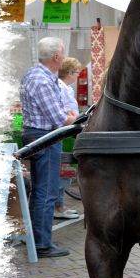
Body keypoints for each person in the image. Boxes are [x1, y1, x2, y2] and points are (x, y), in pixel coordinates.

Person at [19, 38, 78, 257]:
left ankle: (37, 241)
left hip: (39, 136)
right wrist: (73, 118)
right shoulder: (42, 79)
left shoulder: (36, 75)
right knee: (46, 191)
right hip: (45, 137)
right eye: (62, 54)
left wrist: (66, 115)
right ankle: (42, 244)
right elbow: (58, 118)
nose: (63, 58)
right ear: (56, 57)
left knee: (41, 190)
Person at [54, 58, 82, 219]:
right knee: (63, 170)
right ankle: (58, 207)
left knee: (64, 171)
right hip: (64, 130)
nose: (77, 76)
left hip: (67, 129)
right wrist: (72, 115)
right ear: (70, 72)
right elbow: (65, 111)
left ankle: (60, 205)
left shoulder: (65, 87)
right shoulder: (60, 87)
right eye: (77, 72)